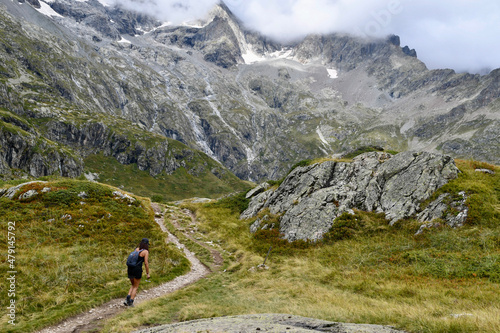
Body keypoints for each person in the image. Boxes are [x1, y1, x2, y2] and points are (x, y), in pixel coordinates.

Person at [125, 238, 150, 307]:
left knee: (133, 284)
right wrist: (147, 273)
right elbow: (146, 263)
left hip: (130, 268)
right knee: (136, 286)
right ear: (147, 245)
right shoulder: (145, 252)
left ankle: (128, 297)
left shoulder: (136, 249)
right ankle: (131, 302)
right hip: (137, 270)